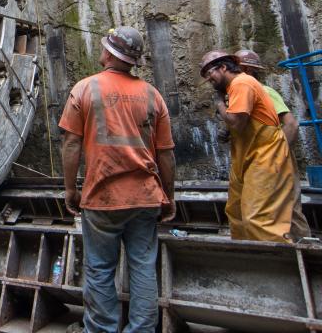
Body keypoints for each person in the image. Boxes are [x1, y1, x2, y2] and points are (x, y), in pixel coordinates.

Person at [60, 26, 176, 333]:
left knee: (99, 268)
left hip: (102, 197)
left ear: (110, 53)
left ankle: (101, 330)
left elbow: (70, 144)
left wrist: (70, 189)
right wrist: (169, 195)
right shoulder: (153, 95)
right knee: (142, 267)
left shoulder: (85, 89)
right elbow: (165, 153)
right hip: (146, 197)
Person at [200, 50, 294, 241]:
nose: (208, 79)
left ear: (223, 67)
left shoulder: (242, 83)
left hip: (264, 157)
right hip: (247, 158)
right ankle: (248, 260)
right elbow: (241, 124)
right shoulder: (236, 87)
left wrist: (219, 104)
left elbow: (236, 123)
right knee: (236, 211)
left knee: (258, 217)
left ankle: (277, 266)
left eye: (209, 73)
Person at [234, 49, 310, 239]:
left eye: (236, 68)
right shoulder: (243, 92)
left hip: (274, 159)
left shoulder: (264, 91)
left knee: (289, 211)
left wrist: (277, 156)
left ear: (247, 70)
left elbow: (291, 124)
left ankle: (308, 258)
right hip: (260, 161)